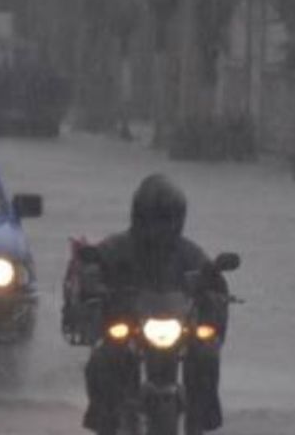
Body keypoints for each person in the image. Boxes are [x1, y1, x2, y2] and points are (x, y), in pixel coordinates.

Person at [81, 173, 228, 434]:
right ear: (139, 216)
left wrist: (214, 290)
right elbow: (93, 266)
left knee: (206, 355)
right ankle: (104, 419)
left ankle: (200, 418)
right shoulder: (117, 247)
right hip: (131, 326)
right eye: (155, 218)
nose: (161, 226)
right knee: (103, 358)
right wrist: (94, 280)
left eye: (168, 218)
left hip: (176, 327)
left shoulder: (189, 253)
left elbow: (214, 282)